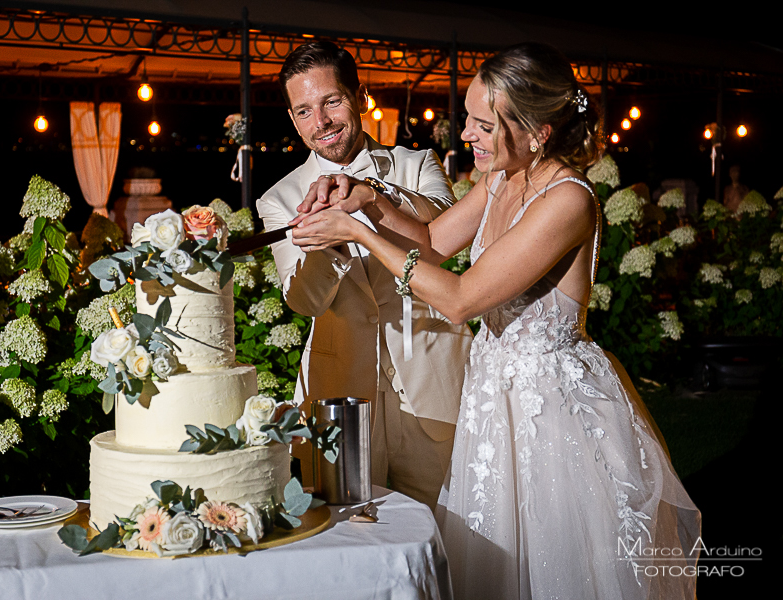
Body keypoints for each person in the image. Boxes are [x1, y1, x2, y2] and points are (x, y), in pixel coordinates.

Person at [291, 43, 700, 599]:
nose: (465, 136)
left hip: (550, 409)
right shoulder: (502, 179)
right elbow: (432, 243)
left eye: (483, 125)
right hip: (493, 397)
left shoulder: (567, 200)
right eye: (468, 120)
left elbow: (461, 299)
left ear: (537, 132)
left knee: (556, 558)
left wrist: (360, 234)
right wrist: (368, 201)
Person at [256, 41, 473, 511]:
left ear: (360, 94)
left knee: (452, 526)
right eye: (305, 111)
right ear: (293, 120)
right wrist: (331, 238)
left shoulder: (417, 165)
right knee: (348, 530)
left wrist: (372, 192)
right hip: (339, 395)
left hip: (433, 383)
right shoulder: (279, 198)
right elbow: (304, 300)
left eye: (332, 101)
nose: (323, 122)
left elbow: (440, 245)